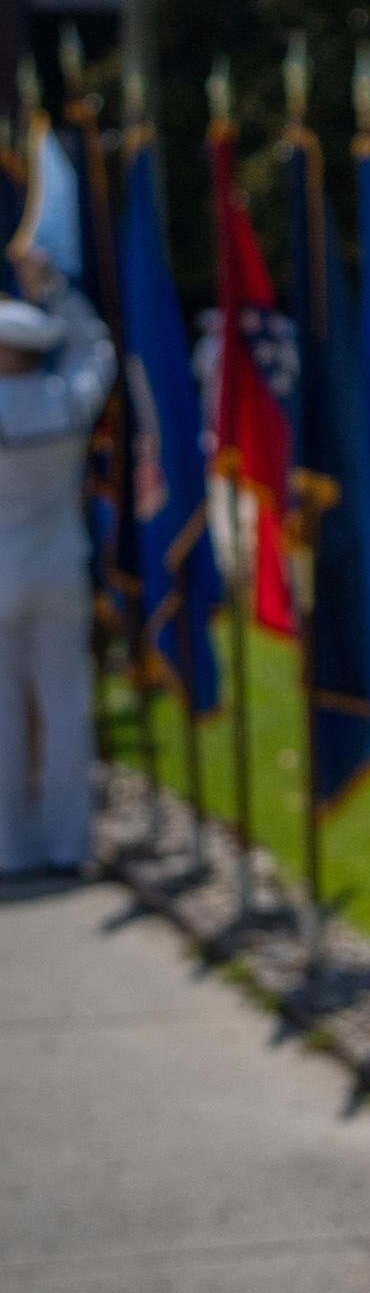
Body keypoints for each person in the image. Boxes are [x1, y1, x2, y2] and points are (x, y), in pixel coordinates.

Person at [0, 253, 116, 874]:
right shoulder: (64, 398)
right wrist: (60, 290)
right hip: (59, 568)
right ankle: (70, 843)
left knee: (3, 715)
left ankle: (11, 848)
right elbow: (98, 351)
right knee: (64, 705)